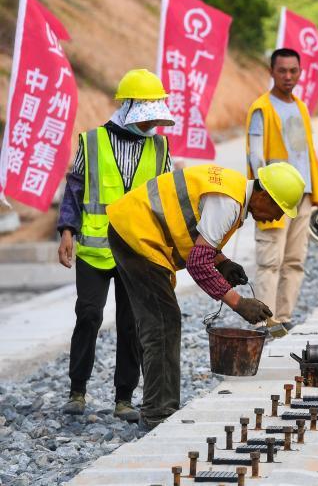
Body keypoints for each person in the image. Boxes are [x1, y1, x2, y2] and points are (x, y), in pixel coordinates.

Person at [106, 162, 305, 429]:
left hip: (133, 226)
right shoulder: (228, 203)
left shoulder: (232, 190)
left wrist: (222, 262)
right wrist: (239, 303)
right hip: (137, 234)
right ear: (263, 195)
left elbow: (194, 229)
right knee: (162, 324)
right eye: (278, 210)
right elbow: (198, 264)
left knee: (161, 321)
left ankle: (158, 408)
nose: (277, 219)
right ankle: (157, 415)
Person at [56, 69, 174, 422]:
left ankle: (124, 397)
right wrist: (66, 231)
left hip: (138, 252)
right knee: (89, 315)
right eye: (148, 108)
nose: (154, 117)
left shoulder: (160, 146)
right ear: (130, 106)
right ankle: (77, 389)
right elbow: (75, 188)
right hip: (94, 249)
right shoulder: (91, 142)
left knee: (131, 323)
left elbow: (167, 201)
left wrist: (167, 255)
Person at [246, 48, 318, 331]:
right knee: (270, 260)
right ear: (271, 72)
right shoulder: (262, 109)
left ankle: (285, 317)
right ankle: (264, 321)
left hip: (302, 196)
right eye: (282, 71)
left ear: (300, 72)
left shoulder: (301, 106)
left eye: (293, 71)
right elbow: (255, 156)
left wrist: (317, 193)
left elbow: (307, 153)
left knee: (294, 259)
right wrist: (263, 195)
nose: (288, 76)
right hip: (275, 199)